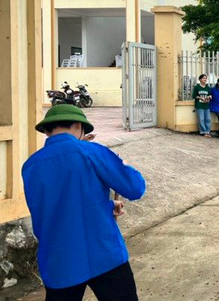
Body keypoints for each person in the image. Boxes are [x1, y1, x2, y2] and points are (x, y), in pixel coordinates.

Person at [22, 105, 146, 300]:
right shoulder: (91, 152)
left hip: (59, 262)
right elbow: (135, 188)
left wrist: (106, 206)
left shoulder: (30, 166)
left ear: (46, 131)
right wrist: (125, 167)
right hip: (104, 255)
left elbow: (52, 210)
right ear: (79, 126)